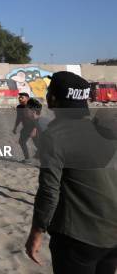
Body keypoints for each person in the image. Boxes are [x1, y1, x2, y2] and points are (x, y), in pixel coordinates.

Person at [25, 71, 117, 273]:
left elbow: (49, 191)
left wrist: (36, 232)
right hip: (112, 233)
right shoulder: (106, 131)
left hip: (78, 236)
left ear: (54, 99)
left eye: (50, 91)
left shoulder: (55, 136)